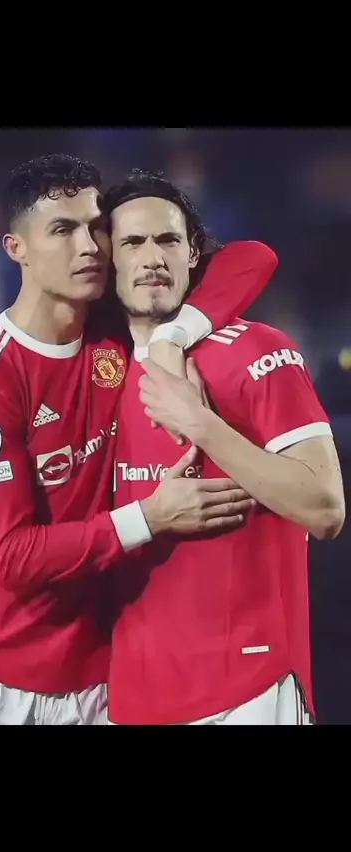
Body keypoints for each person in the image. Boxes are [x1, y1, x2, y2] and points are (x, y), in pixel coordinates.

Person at [0, 154, 277, 725]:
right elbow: (11, 558)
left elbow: (253, 258)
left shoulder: (115, 331)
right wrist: (151, 517)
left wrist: (173, 337)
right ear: (16, 248)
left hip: (94, 677)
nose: (89, 246)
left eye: (96, 228)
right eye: (62, 230)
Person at [104, 170, 345, 724]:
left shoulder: (259, 350)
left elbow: (325, 507)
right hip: (131, 697)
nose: (152, 258)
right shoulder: (95, 373)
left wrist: (201, 423)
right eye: (132, 243)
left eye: (168, 240)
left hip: (250, 689)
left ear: (193, 253)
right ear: (107, 258)